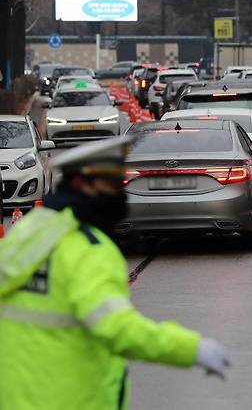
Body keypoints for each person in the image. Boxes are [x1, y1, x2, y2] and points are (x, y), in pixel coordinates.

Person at [0, 137, 230, 410]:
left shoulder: (29, 232)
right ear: (82, 184)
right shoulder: (88, 248)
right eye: (110, 184)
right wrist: (191, 349)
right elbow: (118, 328)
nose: (119, 193)